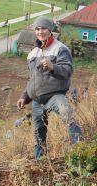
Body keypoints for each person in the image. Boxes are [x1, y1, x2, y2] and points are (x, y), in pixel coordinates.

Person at [16, 16, 82, 160]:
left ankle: (80, 150)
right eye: (37, 29)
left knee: (67, 114)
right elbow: (32, 80)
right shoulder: (33, 54)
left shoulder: (60, 49)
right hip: (37, 100)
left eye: (44, 29)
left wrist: (53, 67)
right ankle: (40, 161)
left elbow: (67, 71)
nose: (41, 32)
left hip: (54, 95)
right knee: (38, 133)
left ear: (50, 30)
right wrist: (24, 96)